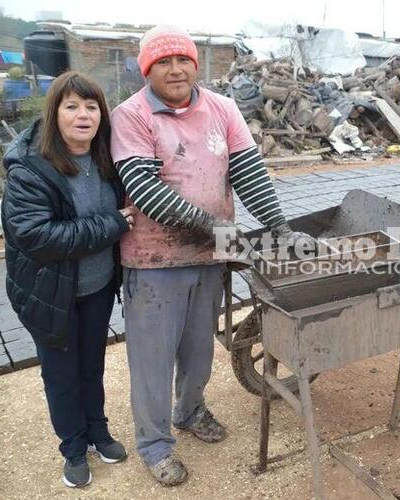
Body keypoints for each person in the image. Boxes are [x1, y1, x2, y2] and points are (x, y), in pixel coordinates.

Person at [110, 25, 306, 486]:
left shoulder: (222, 108)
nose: (175, 69)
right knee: (153, 358)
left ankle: (191, 410)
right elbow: (144, 190)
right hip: (153, 259)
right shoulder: (132, 115)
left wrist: (279, 225)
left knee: (199, 348)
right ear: (147, 70)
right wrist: (217, 227)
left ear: (195, 64)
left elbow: (249, 172)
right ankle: (155, 445)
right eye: (163, 62)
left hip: (209, 255)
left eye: (183, 60)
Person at [1, 71, 136, 488]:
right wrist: (112, 224)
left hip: (95, 288)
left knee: (91, 367)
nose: (83, 115)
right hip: (49, 295)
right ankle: (74, 448)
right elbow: (37, 237)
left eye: (92, 106)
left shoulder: (105, 162)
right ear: (54, 113)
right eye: (72, 106)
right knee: (61, 373)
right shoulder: (30, 171)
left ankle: (98, 430)